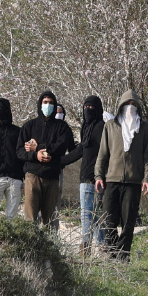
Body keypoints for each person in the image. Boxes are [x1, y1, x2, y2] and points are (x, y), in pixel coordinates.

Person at [94, 90, 148, 261]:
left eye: (134, 104)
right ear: (121, 106)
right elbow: (102, 154)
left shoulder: (144, 128)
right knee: (109, 220)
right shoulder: (110, 126)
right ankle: (111, 254)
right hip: (111, 180)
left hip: (133, 182)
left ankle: (123, 256)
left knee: (128, 223)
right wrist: (99, 176)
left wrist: (147, 179)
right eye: (127, 104)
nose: (130, 107)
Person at [17, 91, 74, 228]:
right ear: (40, 104)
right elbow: (19, 151)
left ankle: (49, 248)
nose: (48, 105)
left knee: (49, 221)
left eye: (51, 102)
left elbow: (60, 147)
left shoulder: (62, 127)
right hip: (32, 176)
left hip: (52, 177)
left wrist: (38, 148)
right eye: (45, 102)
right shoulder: (28, 126)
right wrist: (35, 155)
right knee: (30, 219)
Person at [60, 96, 106, 254]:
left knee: (88, 214)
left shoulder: (101, 128)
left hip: (97, 179)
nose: (88, 110)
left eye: (91, 107)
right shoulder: (86, 128)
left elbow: (106, 153)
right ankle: (102, 245)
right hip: (85, 177)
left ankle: (85, 246)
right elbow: (80, 151)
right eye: (85, 107)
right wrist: (59, 161)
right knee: (93, 214)